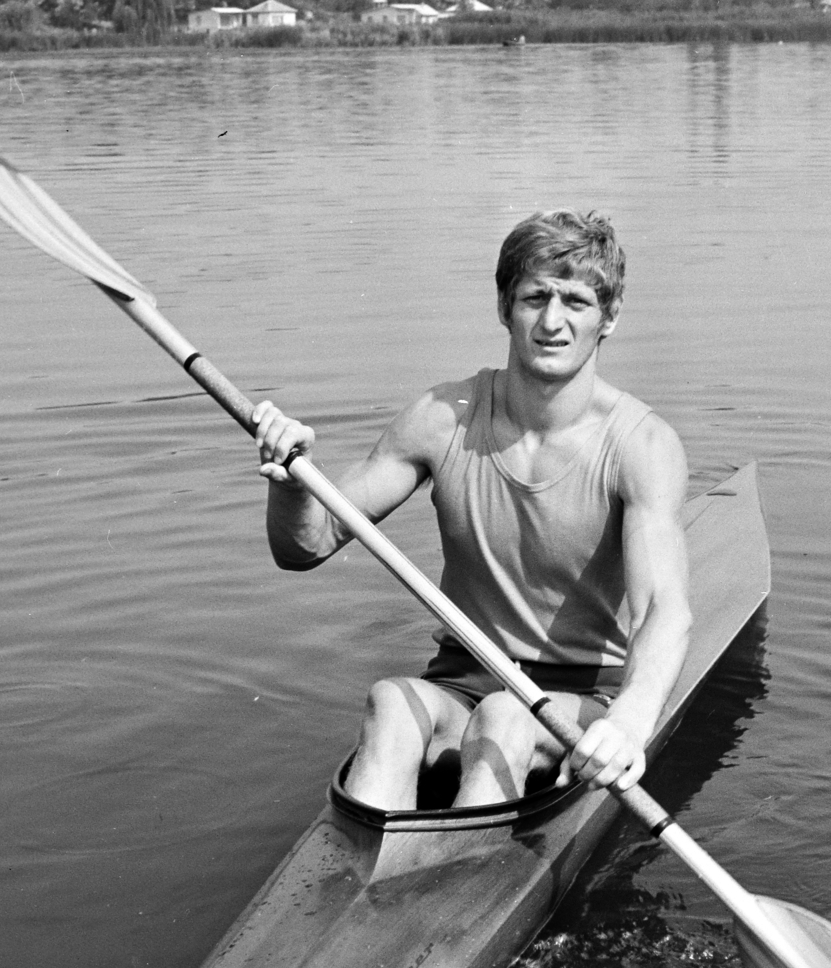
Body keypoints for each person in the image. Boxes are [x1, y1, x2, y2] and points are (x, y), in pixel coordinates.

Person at [252, 210, 691, 811]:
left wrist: (634, 723)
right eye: (535, 297)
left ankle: (457, 881)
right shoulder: (443, 416)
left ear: (608, 318)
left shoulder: (642, 446)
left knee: (506, 719)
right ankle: (362, 876)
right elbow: (305, 546)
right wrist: (291, 482)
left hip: (582, 696)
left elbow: (663, 610)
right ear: (505, 307)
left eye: (576, 302)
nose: (552, 321)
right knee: (389, 701)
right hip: (462, 681)